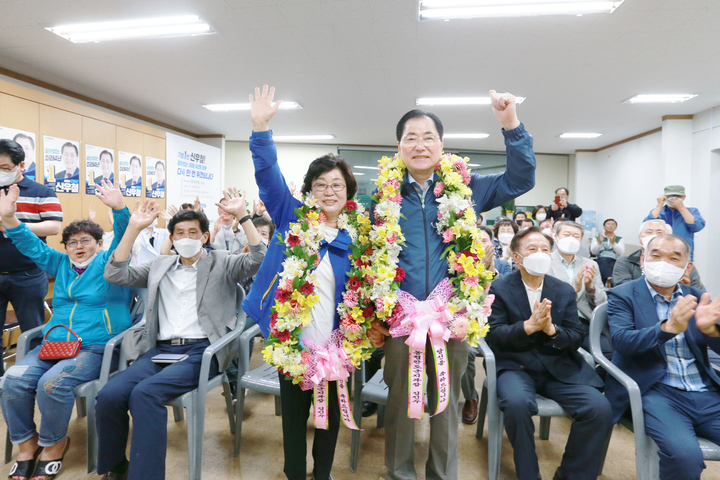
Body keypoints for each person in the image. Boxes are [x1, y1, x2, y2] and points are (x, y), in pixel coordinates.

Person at [366, 90, 536, 480]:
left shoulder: (468, 188)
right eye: (411, 137)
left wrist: (510, 123)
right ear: (399, 147)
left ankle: (442, 476)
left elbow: (521, 178)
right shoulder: (382, 197)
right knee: (401, 406)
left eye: (428, 137)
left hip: (452, 317)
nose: (420, 145)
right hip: (400, 319)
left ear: (442, 145)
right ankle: (400, 474)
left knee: (445, 403)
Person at [96, 190, 265, 480]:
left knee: (145, 394)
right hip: (159, 350)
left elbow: (259, 258)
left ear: (204, 237)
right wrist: (134, 228)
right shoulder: (160, 265)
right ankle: (117, 467)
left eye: (192, 232)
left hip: (201, 352)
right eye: (179, 233)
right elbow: (115, 274)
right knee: (109, 394)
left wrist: (242, 216)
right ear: (171, 238)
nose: (185, 237)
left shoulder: (222, 262)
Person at [242, 85, 364, 480]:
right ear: (310, 190)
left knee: (327, 421)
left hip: (333, 345)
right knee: (293, 420)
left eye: (337, 186)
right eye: (321, 185)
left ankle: (323, 474)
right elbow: (268, 176)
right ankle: (295, 474)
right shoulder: (291, 217)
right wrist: (261, 128)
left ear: (348, 193)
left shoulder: (358, 239)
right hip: (292, 342)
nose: (329, 192)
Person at [0, 180, 131, 480]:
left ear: (99, 244)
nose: (78, 246)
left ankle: (53, 444)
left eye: (86, 240)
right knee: (12, 380)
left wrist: (120, 208)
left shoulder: (110, 264)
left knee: (51, 383)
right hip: (55, 344)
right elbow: (28, 242)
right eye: (72, 241)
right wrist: (9, 218)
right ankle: (26, 444)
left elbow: (125, 238)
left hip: (95, 347)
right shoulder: (60, 265)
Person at [486, 227, 612, 480]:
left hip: (558, 366)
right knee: (517, 404)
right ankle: (529, 474)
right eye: (532, 249)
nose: (540, 254)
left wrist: (553, 331)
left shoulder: (563, 290)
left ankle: (571, 474)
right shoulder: (499, 288)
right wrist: (527, 327)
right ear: (516, 257)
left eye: (545, 249)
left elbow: (576, 336)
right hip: (515, 366)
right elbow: (494, 334)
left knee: (600, 408)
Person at [605, 234, 720, 480]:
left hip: (706, 391)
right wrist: (666, 328)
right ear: (644, 260)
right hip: (658, 392)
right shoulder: (623, 294)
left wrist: (712, 331)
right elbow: (622, 342)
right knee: (684, 457)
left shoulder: (698, 297)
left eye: (673, 257)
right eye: (656, 255)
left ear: (687, 267)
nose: (663, 262)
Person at [0, 139, 62, 376]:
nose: (1, 173)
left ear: (21, 165)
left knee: (33, 332)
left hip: (27, 274)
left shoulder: (41, 192)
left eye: (5, 167)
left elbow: (54, 227)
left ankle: (32, 377)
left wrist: (13, 225)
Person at [462, 226, 512, 424]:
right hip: (471, 324)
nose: (480, 245)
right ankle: (470, 397)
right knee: (464, 350)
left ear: (492, 244)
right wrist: (476, 271)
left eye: (484, 241)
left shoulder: (504, 266)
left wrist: (491, 270)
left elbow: (507, 295)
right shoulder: (461, 265)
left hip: (498, 324)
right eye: (475, 241)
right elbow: (465, 298)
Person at [548, 221, 607, 355]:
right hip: (557, 321)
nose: (571, 239)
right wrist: (573, 290)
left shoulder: (590, 264)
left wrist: (590, 288)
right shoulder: (546, 261)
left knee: (608, 355)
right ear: (556, 237)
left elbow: (602, 301)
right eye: (566, 234)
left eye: (576, 236)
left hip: (584, 321)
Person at [612, 219, 704, 289]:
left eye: (660, 232)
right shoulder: (625, 262)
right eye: (649, 232)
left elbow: (700, 295)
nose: (654, 236)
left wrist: (685, 289)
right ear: (640, 238)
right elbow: (624, 292)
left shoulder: (683, 266)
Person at [644, 185, 705, 261]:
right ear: (665, 196)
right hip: (659, 253)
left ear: (683, 197)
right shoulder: (659, 211)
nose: (673, 198)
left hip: (682, 254)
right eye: (670, 196)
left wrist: (681, 208)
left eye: (677, 196)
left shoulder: (692, 211)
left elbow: (697, 226)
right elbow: (647, 226)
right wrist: (659, 205)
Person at [590, 218, 625, 285]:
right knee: (605, 260)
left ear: (616, 227)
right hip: (600, 260)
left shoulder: (619, 239)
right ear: (604, 226)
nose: (610, 226)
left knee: (610, 262)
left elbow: (620, 253)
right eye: (608, 224)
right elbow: (594, 252)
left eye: (613, 225)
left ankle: (604, 282)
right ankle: (609, 279)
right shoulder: (597, 238)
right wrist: (599, 243)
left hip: (614, 260)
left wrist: (614, 243)